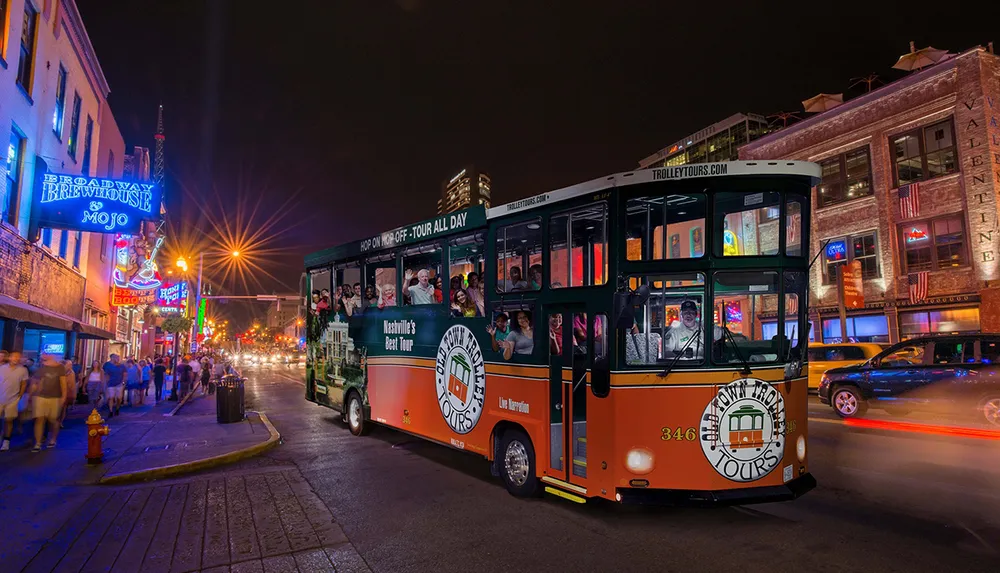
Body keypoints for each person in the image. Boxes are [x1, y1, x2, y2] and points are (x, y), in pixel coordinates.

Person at [31, 354, 67, 451]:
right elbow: (35, 381)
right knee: (40, 419)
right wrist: (32, 392)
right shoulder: (41, 367)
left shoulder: (60, 367)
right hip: (41, 396)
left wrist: (64, 396)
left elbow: (63, 383)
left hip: (55, 397)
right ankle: (38, 443)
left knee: (52, 419)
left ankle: (53, 439)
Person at [0, 351, 29, 451]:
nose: (16, 358)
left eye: (18, 357)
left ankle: (6, 441)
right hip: (0, 398)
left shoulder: (23, 370)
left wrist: (19, 396)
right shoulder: (2, 368)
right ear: (10, 358)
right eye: (14, 356)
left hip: (13, 399)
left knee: (9, 420)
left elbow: (24, 383)